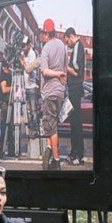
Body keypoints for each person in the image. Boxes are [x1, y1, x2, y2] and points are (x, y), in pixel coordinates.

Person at [39, 19, 67, 170]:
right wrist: (61, 76)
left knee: (51, 127)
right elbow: (65, 66)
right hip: (60, 91)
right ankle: (50, 149)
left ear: (46, 33)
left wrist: (55, 74)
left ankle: (56, 162)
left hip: (50, 91)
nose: (42, 36)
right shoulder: (62, 46)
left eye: (43, 33)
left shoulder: (46, 49)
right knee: (53, 124)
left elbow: (45, 71)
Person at [64, 27, 86, 165]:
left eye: (67, 41)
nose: (67, 44)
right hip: (77, 88)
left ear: (71, 36)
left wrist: (65, 66)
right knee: (77, 122)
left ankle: (75, 155)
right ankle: (79, 153)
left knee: (75, 123)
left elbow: (76, 71)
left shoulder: (78, 46)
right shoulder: (80, 47)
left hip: (75, 88)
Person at [18, 38, 41, 139]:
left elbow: (29, 69)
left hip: (32, 87)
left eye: (24, 46)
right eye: (22, 46)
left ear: (28, 45)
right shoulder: (23, 54)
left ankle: (34, 130)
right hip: (25, 86)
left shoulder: (32, 54)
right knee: (28, 110)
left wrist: (23, 63)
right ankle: (30, 130)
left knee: (33, 110)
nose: (23, 49)